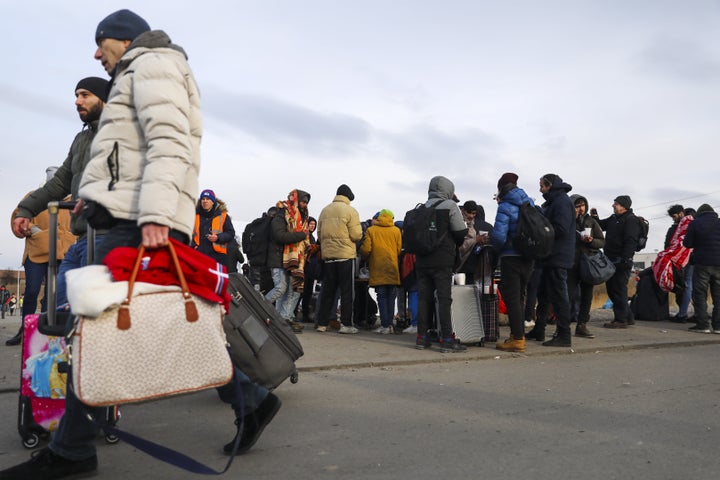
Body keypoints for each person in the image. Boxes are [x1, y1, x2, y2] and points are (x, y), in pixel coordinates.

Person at [0, 10, 279, 479]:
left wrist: (153, 214)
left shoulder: (151, 67)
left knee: (94, 320)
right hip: (118, 220)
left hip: (135, 223)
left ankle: (72, 450)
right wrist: (85, 200)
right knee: (122, 320)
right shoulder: (136, 77)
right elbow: (121, 160)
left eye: (100, 42)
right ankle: (250, 398)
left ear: (123, 40)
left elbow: (170, 142)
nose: (95, 53)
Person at [12, 77, 109, 315]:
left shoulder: (123, 134)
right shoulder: (81, 139)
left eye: (85, 95)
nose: (77, 101)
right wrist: (26, 210)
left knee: (94, 315)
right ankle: (68, 351)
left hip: (108, 238)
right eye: (76, 95)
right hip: (81, 240)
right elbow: (59, 183)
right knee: (60, 311)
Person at [7, 168, 76, 346]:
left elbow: (75, 226)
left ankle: (44, 332)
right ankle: (24, 330)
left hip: (60, 254)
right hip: (36, 253)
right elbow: (19, 216)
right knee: (31, 291)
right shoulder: (34, 196)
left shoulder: (71, 200)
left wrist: (68, 237)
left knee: (52, 295)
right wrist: (37, 232)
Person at [413, 176, 468, 352]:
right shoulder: (450, 206)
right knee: (444, 299)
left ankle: (422, 337)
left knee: (424, 299)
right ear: (448, 190)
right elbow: (460, 234)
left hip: (422, 260)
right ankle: (446, 339)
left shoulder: (422, 208)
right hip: (442, 261)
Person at [490, 173, 535, 353]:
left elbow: (499, 237)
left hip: (511, 257)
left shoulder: (506, 206)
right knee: (521, 296)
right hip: (529, 257)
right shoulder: (529, 203)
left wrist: (494, 245)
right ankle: (519, 334)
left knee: (512, 299)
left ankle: (517, 339)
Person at [315, 184, 363, 334]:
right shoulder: (351, 211)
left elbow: (319, 233)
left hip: (328, 257)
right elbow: (356, 235)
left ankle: (322, 323)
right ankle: (346, 324)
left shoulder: (324, 210)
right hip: (345, 257)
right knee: (347, 292)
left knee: (327, 292)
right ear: (348, 198)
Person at [265, 189, 312, 333]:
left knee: (292, 290)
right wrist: (300, 236)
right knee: (281, 288)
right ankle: (259, 306)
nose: (304, 205)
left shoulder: (302, 218)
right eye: (302, 201)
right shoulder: (281, 214)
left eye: (306, 203)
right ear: (296, 200)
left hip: (292, 260)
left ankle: (283, 319)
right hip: (278, 257)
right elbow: (280, 236)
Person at [593, 195, 641, 329]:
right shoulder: (614, 218)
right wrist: (595, 217)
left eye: (616, 204)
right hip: (611, 260)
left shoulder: (631, 220)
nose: (613, 205)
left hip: (622, 261)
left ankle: (621, 320)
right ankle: (628, 317)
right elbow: (601, 226)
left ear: (624, 206)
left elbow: (630, 241)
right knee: (613, 289)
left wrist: (627, 259)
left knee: (618, 289)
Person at [567, 194, 605, 338]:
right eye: (577, 206)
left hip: (588, 263)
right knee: (568, 295)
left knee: (587, 296)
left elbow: (601, 241)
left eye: (582, 205)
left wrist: (591, 241)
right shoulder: (568, 221)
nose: (580, 209)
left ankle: (582, 325)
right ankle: (563, 325)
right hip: (571, 263)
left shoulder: (591, 221)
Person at [360, 209, 402, 334]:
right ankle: (389, 324)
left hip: (378, 267)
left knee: (382, 296)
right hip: (392, 267)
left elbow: (366, 249)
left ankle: (384, 325)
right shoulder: (396, 230)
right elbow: (399, 249)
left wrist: (364, 255)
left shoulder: (371, 230)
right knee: (391, 296)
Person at [682, 204, 720, 334]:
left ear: (700, 213)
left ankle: (703, 325)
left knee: (699, 294)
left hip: (702, 263)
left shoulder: (695, 223)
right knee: (718, 296)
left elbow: (687, 243)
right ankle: (718, 326)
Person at [191, 189, 236, 265]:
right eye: (203, 199)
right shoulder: (194, 215)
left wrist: (218, 237)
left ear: (213, 201)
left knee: (215, 277)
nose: (205, 201)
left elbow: (231, 233)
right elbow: (187, 233)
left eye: (208, 199)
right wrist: (193, 245)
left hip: (218, 257)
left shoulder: (223, 216)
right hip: (198, 254)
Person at [665, 205, 693, 322]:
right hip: (691, 259)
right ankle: (698, 314)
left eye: (674, 216)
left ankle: (682, 314)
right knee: (691, 287)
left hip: (687, 260)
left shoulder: (684, 226)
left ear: (681, 213)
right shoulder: (686, 224)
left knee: (687, 286)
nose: (673, 219)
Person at [299, 217, 320, 323]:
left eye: (314, 224)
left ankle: (305, 314)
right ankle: (300, 313)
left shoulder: (312, 237)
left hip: (310, 269)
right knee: (302, 292)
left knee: (307, 292)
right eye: (310, 224)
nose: (312, 226)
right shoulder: (305, 236)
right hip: (304, 268)